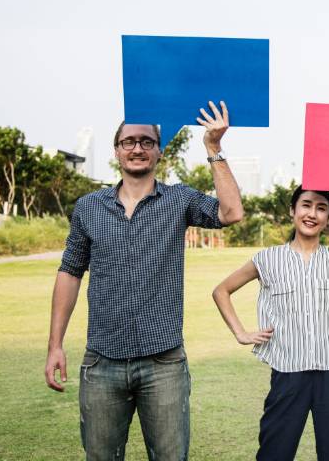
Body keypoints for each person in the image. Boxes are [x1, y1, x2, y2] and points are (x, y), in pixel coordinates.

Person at [44, 101, 244, 460]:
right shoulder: (88, 207)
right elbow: (70, 272)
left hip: (164, 364)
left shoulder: (180, 200)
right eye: (129, 141)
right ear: (117, 150)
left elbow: (231, 212)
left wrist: (213, 146)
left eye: (147, 142)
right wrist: (55, 345)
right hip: (102, 362)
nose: (137, 148)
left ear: (159, 151)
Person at [212, 182, 329, 461]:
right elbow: (221, 291)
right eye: (306, 205)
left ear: (328, 218)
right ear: (293, 210)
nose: (312, 214)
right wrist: (240, 333)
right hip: (288, 375)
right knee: (274, 453)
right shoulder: (267, 259)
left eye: (321, 208)